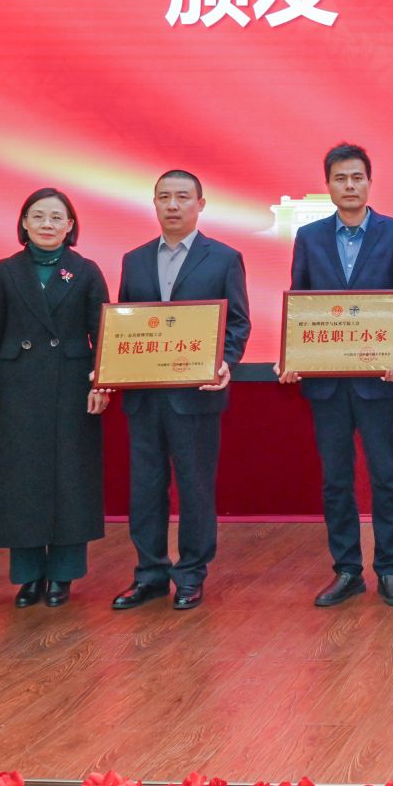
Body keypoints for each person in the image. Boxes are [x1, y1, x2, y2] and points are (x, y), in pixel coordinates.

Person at [283, 143, 393, 608]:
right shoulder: (309, 237)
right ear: (328, 185)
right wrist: (295, 354)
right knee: (336, 480)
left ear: (369, 182)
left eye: (357, 177)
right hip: (326, 383)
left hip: (378, 380)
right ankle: (347, 570)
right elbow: (301, 304)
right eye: (340, 178)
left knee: (386, 477)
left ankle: (390, 569)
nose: (349, 186)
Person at [108, 170, 251, 613]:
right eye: (164, 197)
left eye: (183, 197)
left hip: (196, 395)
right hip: (145, 396)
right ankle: (149, 575)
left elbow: (238, 323)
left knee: (195, 488)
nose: (173, 205)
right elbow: (124, 322)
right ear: (154, 203)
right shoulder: (134, 259)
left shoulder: (224, 258)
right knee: (145, 489)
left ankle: (190, 574)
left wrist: (225, 361)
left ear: (200, 204)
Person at [0, 188, 110, 606]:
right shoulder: (5, 271)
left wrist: (100, 385)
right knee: (22, 481)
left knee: (71, 480)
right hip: (17, 389)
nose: (47, 224)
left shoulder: (85, 271)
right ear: (24, 223)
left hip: (72, 389)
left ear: (70, 226)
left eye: (56, 217)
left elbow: (103, 335)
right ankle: (29, 576)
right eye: (38, 216)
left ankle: (63, 575)